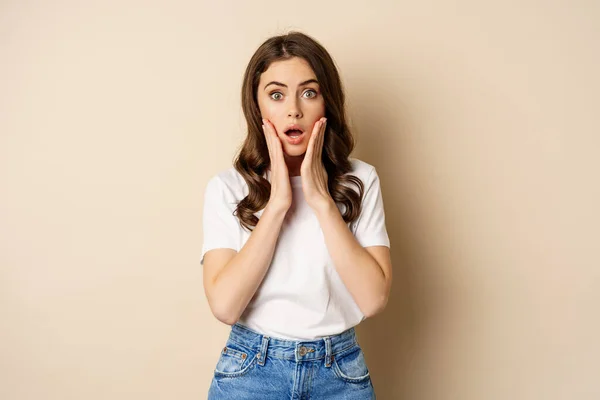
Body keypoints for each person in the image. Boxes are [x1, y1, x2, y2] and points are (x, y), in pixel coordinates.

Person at [200, 31, 392, 399]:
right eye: (276, 94)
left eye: (309, 92)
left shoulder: (360, 179)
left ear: (327, 103)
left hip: (340, 372)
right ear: (257, 108)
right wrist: (277, 205)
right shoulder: (226, 188)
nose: (293, 110)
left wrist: (321, 200)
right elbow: (224, 306)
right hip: (250, 371)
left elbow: (373, 299)